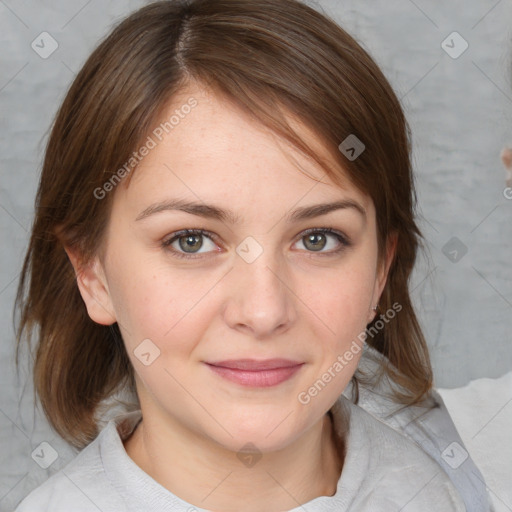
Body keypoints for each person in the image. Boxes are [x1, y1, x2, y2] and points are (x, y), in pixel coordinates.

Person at [13, 0, 493, 510]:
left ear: (380, 271)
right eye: (191, 240)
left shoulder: (455, 490)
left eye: (317, 239)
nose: (264, 312)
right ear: (92, 273)